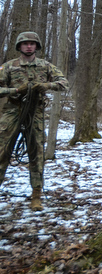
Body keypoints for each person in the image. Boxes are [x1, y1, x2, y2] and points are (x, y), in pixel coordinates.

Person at [0, 32, 69, 211]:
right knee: (2, 151)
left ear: (36, 47)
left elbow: (63, 83)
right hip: (13, 111)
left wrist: (46, 86)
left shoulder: (45, 66)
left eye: (32, 44)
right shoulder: (8, 66)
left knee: (36, 153)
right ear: (19, 47)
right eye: (25, 44)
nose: (29, 46)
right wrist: (15, 90)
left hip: (36, 113)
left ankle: (36, 196)